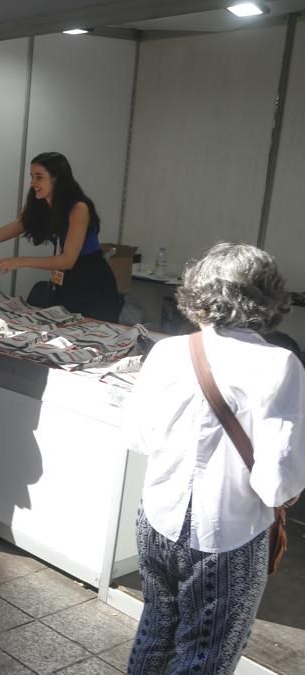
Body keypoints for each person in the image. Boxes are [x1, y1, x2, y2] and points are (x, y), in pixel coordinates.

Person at [124, 242, 305, 675]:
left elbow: (138, 437)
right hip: (228, 533)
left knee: (156, 629)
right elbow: (278, 482)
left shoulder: (167, 351)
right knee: (206, 654)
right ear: (267, 297)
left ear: (199, 292)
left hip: (158, 518)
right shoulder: (279, 364)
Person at [0, 152, 121, 322]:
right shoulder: (41, 209)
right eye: (32, 177)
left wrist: (20, 261)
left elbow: (67, 260)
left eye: (39, 177)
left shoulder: (79, 208)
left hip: (93, 284)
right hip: (66, 283)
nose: (33, 183)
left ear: (57, 178)